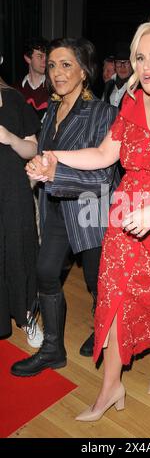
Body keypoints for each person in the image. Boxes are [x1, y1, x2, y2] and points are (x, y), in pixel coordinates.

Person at [19, 13, 150, 420]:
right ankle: (110, 386)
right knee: (113, 299)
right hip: (126, 216)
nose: (145, 67)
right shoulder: (131, 103)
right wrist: (54, 156)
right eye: (138, 58)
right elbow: (103, 154)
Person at [10, 38, 119, 377]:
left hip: (91, 210)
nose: (57, 72)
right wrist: (37, 169)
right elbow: (45, 156)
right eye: (53, 65)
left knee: (96, 281)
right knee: (46, 273)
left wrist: (54, 173)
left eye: (66, 64)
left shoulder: (103, 112)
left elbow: (103, 175)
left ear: (84, 71)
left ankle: (101, 331)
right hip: (56, 208)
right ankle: (53, 349)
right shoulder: (52, 109)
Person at [0, 73, 43, 347]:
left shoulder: (14, 99)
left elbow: (32, 149)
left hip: (14, 191)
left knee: (20, 251)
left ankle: (28, 316)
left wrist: (10, 138)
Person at [15, 37, 49, 121]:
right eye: (40, 56)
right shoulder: (16, 90)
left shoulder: (54, 88)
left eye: (46, 56)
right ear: (28, 59)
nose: (45, 60)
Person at [103, 43, 132, 109]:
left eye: (126, 62)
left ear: (132, 64)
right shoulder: (108, 86)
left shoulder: (138, 88)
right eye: (119, 62)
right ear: (114, 64)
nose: (122, 67)